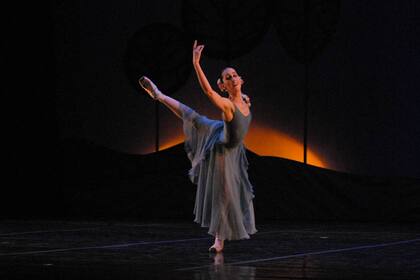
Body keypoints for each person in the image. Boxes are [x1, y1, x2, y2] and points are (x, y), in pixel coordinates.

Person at [138, 40, 257, 253]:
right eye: (227, 77)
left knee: (197, 119)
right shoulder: (228, 105)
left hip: (229, 143)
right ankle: (159, 94)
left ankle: (160, 95)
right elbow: (209, 93)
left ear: (241, 79)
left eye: (234, 75)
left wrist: (244, 98)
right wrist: (196, 63)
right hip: (221, 147)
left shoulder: (245, 101)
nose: (232, 78)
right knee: (222, 193)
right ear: (223, 85)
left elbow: (242, 107)